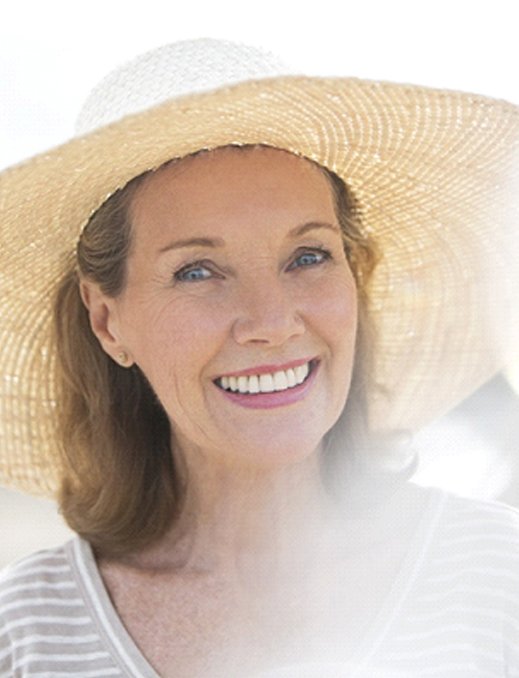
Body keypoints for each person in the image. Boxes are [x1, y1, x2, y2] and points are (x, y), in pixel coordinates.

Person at [0, 38, 518, 678]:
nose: (272, 323)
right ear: (107, 321)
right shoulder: (25, 632)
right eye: (197, 271)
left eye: (308, 256)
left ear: (354, 277)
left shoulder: (501, 580)